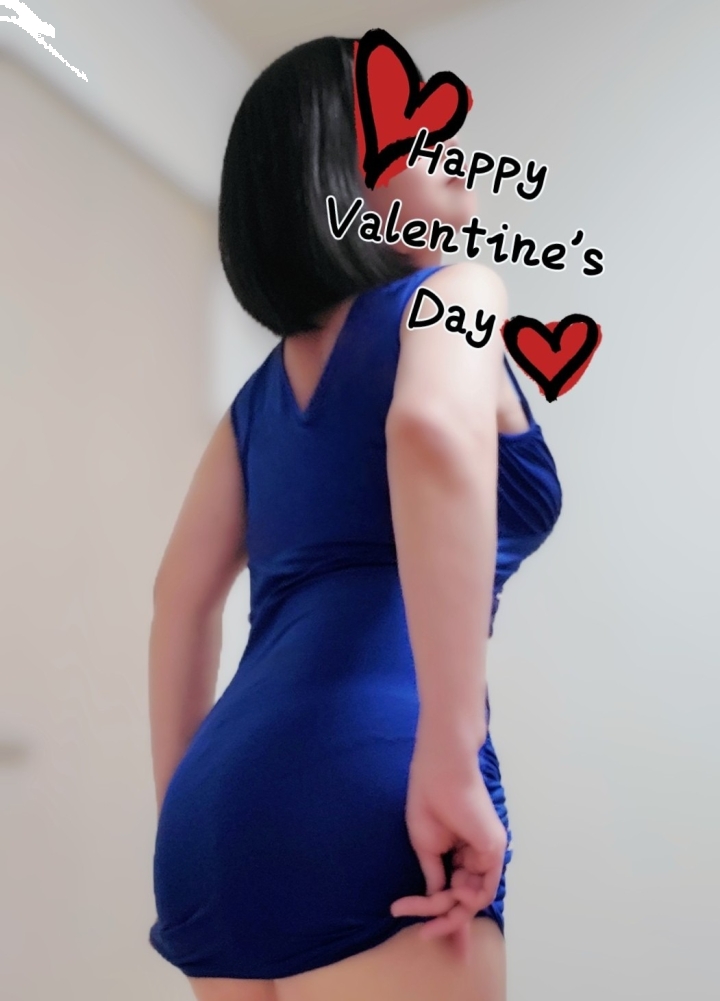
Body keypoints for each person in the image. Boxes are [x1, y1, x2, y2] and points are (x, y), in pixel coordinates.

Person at [148, 35, 563, 1001]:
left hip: (213, 817)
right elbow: (428, 427)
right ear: (343, 171)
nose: (449, 145)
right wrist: (450, 754)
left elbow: (178, 601)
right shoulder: (456, 290)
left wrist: (187, 812)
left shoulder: (255, 403)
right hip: (375, 780)